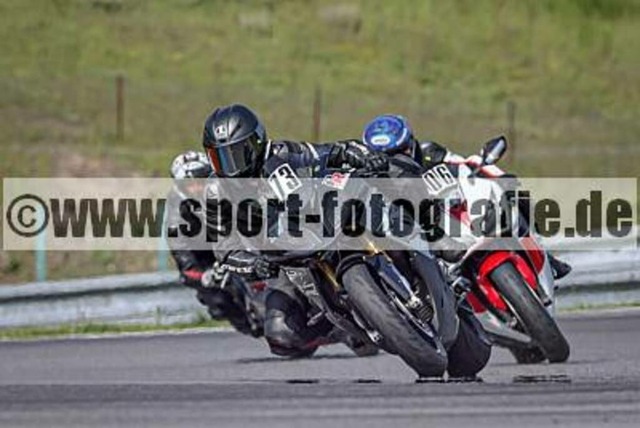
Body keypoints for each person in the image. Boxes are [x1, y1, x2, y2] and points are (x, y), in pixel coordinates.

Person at [201, 104, 387, 357]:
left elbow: (331, 151)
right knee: (281, 336)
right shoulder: (215, 192)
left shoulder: (282, 153)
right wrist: (254, 264)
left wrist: (361, 155)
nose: (230, 167)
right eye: (219, 158)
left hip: (323, 221)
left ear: (256, 144)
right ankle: (339, 328)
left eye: (236, 155)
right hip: (282, 257)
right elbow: (224, 248)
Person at [361, 114, 572, 279]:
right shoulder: (382, 185)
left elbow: (466, 164)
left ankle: (545, 255)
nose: (399, 159)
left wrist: (487, 168)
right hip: (437, 235)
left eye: (402, 151)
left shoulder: (430, 152)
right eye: (389, 157)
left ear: (411, 142)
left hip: (465, 207)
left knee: (508, 182)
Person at [167, 150, 258, 336]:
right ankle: (247, 324)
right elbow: (184, 264)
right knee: (217, 302)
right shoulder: (175, 217)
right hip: (206, 257)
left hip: (236, 239)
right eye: (190, 184)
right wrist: (205, 276)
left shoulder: (227, 187)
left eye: (200, 180)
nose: (197, 188)